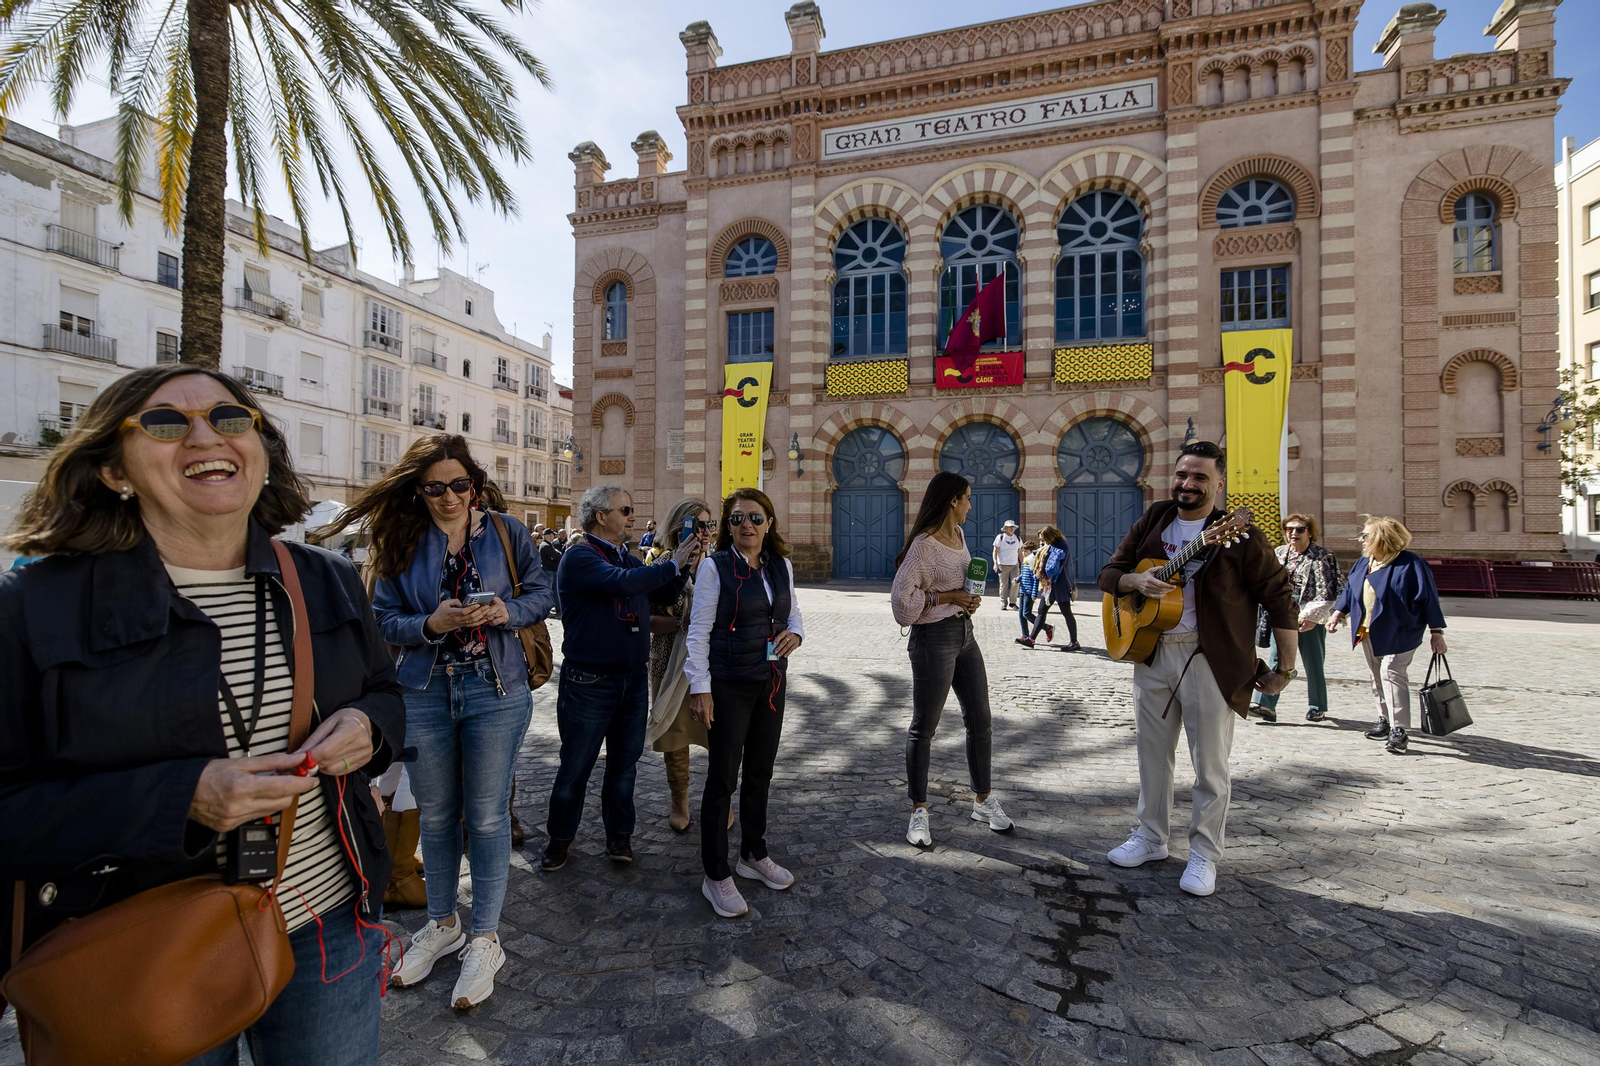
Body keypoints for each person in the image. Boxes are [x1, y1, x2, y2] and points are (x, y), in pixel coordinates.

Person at [0, 364, 404, 1063]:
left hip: (323, 923)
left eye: (228, 418)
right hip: (139, 944)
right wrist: (180, 800)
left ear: (258, 449)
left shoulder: (328, 579)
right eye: (163, 424)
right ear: (113, 471)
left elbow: (385, 696)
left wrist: (369, 731)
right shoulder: (33, 606)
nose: (203, 437)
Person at [327, 434, 551, 1009]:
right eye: (435, 487)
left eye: (458, 485)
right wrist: (431, 623)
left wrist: (507, 610)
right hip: (424, 693)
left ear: (473, 484)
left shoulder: (507, 531)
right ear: (419, 491)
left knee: (486, 814)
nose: (449, 496)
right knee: (435, 815)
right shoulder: (399, 539)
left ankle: (484, 939)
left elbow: (543, 592)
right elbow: (382, 619)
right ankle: (443, 922)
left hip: (495, 691)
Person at [1098, 440, 1297, 897]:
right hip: (1150, 651)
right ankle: (1150, 838)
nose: (1188, 484)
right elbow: (1111, 572)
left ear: (1219, 483)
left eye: (1200, 477)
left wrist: (1285, 668)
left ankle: (1205, 853)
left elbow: (1279, 597)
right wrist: (1134, 580)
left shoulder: (1238, 535)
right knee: (1152, 755)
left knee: (1210, 765)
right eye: (1183, 474)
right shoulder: (1156, 518)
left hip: (1209, 657)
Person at [542, 485, 699, 872]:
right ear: (600, 516)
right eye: (625, 509)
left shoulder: (623, 557)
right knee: (576, 765)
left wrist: (685, 566)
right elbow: (623, 585)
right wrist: (673, 562)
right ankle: (559, 840)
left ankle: (619, 837)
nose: (632, 516)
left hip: (631, 680)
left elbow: (654, 590)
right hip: (589, 682)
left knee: (624, 766)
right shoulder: (580, 556)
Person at [686, 488, 805, 918]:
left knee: (761, 773)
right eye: (737, 520)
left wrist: (796, 635)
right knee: (722, 779)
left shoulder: (781, 566)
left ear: (769, 523)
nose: (747, 526)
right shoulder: (715, 570)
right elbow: (698, 632)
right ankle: (715, 874)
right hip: (729, 685)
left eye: (755, 518)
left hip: (771, 683)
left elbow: (791, 614)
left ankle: (753, 854)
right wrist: (701, 688)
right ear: (727, 527)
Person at [890, 471, 1013, 849]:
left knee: (981, 721)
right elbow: (901, 604)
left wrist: (968, 598)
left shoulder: (958, 536)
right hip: (933, 641)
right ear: (952, 501)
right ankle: (919, 810)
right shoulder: (924, 547)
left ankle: (982, 799)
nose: (971, 505)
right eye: (968, 499)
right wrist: (947, 599)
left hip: (964, 636)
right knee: (924, 727)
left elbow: (957, 585)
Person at [1328, 515, 1447, 755]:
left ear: (1381, 538)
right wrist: (1337, 613)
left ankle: (1399, 729)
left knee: (1390, 672)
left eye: (1365, 535)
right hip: (1369, 630)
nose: (1361, 540)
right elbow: (1351, 590)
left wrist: (1436, 632)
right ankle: (1384, 718)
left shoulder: (1410, 564)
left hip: (1402, 630)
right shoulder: (1364, 563)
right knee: (1376, 676)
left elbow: (1429, 599)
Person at [646, 497, 716, 832]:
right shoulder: (659, 564)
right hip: (668, 660)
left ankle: (720, 800)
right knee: (674, 734)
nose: (704, 531)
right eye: (697, 524)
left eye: (708, 524)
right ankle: (680, 800)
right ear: (679, 527)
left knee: (719, 734)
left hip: (710, 664)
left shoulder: (719, 564)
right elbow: (646, 617)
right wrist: (682, 625)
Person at [1249, 514, 1343, 724]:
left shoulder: (1322, 555)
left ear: (1310, 532)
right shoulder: (1279, 553)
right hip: (1281, 614)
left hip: (1309, 615)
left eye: (1300, 529)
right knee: (1276, 658)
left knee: (1314, 662)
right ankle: (1265, 704)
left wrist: (1313, 616)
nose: (1293, 533)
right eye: (1289, 529)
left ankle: (1317, 706)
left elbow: (1327, 590)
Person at [1019, 526, 1079, 650]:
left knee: (1066, 612)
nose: (1042, 542)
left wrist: (1046, 555)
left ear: (1049, 537)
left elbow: (1052, 568)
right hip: (1049, 585)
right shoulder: (1051, 546)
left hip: (1060, 584)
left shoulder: (1062, 546)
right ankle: (1031, 639)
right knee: (1041, 611)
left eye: (1043, 539)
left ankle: (1074, 642)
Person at [992, 519, 1022, 609]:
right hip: (1003, 565)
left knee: (1015, 583)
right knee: (1003, 585)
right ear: (1005, 528)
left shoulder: (1018, 538)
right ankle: (1003, 602)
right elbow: (995, 551)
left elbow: (1020, 552)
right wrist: (995, 563)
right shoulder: (1000, 537)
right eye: (1009, 527)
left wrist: (1024, 564)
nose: (1011, 529)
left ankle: (1013, 602)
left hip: (1015, 565)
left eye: (1012, 527)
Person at [1016, 541, 1040, 641]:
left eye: (1025, 551)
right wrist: (1018, 578)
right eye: (1023, 551)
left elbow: (1035, 579)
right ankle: (1025, 634)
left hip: (1029, 592)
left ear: (1032, 551)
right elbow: (1025, 575)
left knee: (1026, 613)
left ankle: (1046, 627)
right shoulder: (1025, 561)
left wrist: (1034, 594)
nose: (1023, 553)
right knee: (1021, 614)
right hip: (1023, 590)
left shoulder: (1033, 562)